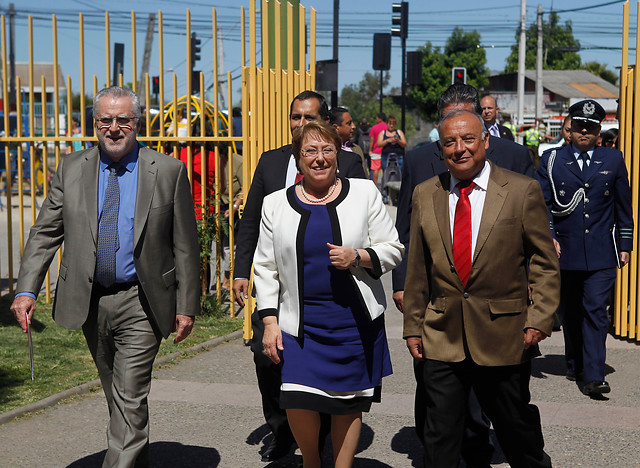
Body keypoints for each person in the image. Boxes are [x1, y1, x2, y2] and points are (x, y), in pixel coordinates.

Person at [10, 86, 200, 467]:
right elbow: (46, 231)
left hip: (143, 300)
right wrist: (27, 289)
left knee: (129, 393)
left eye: (123, 120)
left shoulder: (167, 171)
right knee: (117, 395)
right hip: (90, 299)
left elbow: (185, 245)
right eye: (106, 120)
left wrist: (186, 305)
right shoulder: (71, 168)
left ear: (137, 122)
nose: (114, 128)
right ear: (95, 124)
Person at [403, 109, 560, 468]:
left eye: (468, 139)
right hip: (442, 335)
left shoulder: (522, 191)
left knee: (515, 429)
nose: (459, 148)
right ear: (440, 149)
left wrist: (539, 318)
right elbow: (418, 268)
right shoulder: (426, 194)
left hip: (505, 334)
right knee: (439, 436)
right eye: (449, 142)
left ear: (486, 141)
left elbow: (544, 262)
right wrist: (413, 325)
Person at [254, 120, 403, 468]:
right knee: (296, 397)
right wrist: (270, 323)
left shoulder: (364, 193)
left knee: (348, 403)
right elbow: (265, 268)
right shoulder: (275, 204)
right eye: (310, 151)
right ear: (298, 157)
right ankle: (310, 462)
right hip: (299, 324)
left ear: (338, 154)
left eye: (327, 150)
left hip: (352, 322)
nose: (319, 158)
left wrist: (360, 256)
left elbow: (393, 248)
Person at [233, 90, 366, 462]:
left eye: (310, 117)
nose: (302, 124)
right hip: (277, 281)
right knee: (267, 356)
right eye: (295, 117)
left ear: (325, 120)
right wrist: (242, 270)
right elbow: (251, 220)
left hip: (331, 285)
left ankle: (319, 436)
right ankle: (282, 430)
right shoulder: (271, 162)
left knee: (321, 371)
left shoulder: (349, 163)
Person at [536, 100, 633, 397]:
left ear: (598, 130)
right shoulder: (552, 160)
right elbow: (543, 205)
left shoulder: (613, 160)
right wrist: (548, 235)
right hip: (565, 252)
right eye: (579, 125)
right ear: (570, 128)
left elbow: (623, 206)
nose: (584, 131)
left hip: (602, 251)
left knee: (595, 310)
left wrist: (625, 244)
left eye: (590, 127)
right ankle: (575, 362)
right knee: (572, 311)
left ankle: (593, 375)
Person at [330, 106, 369, 177]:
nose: (353, 126)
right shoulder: (328, 151)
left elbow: (365, 178)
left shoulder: (356, 149)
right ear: (335, 127)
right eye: (349, 123)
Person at [368, 112, 387, 186]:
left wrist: (370, 150)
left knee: (375, 170)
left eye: (377, 118)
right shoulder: (387, 127)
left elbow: (371, 141)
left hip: (376, 151)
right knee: (385, 170)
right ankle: (385, 186)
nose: (376, 119)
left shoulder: (374, 127)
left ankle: (375, 186)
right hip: (385, 151)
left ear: (380, 119)